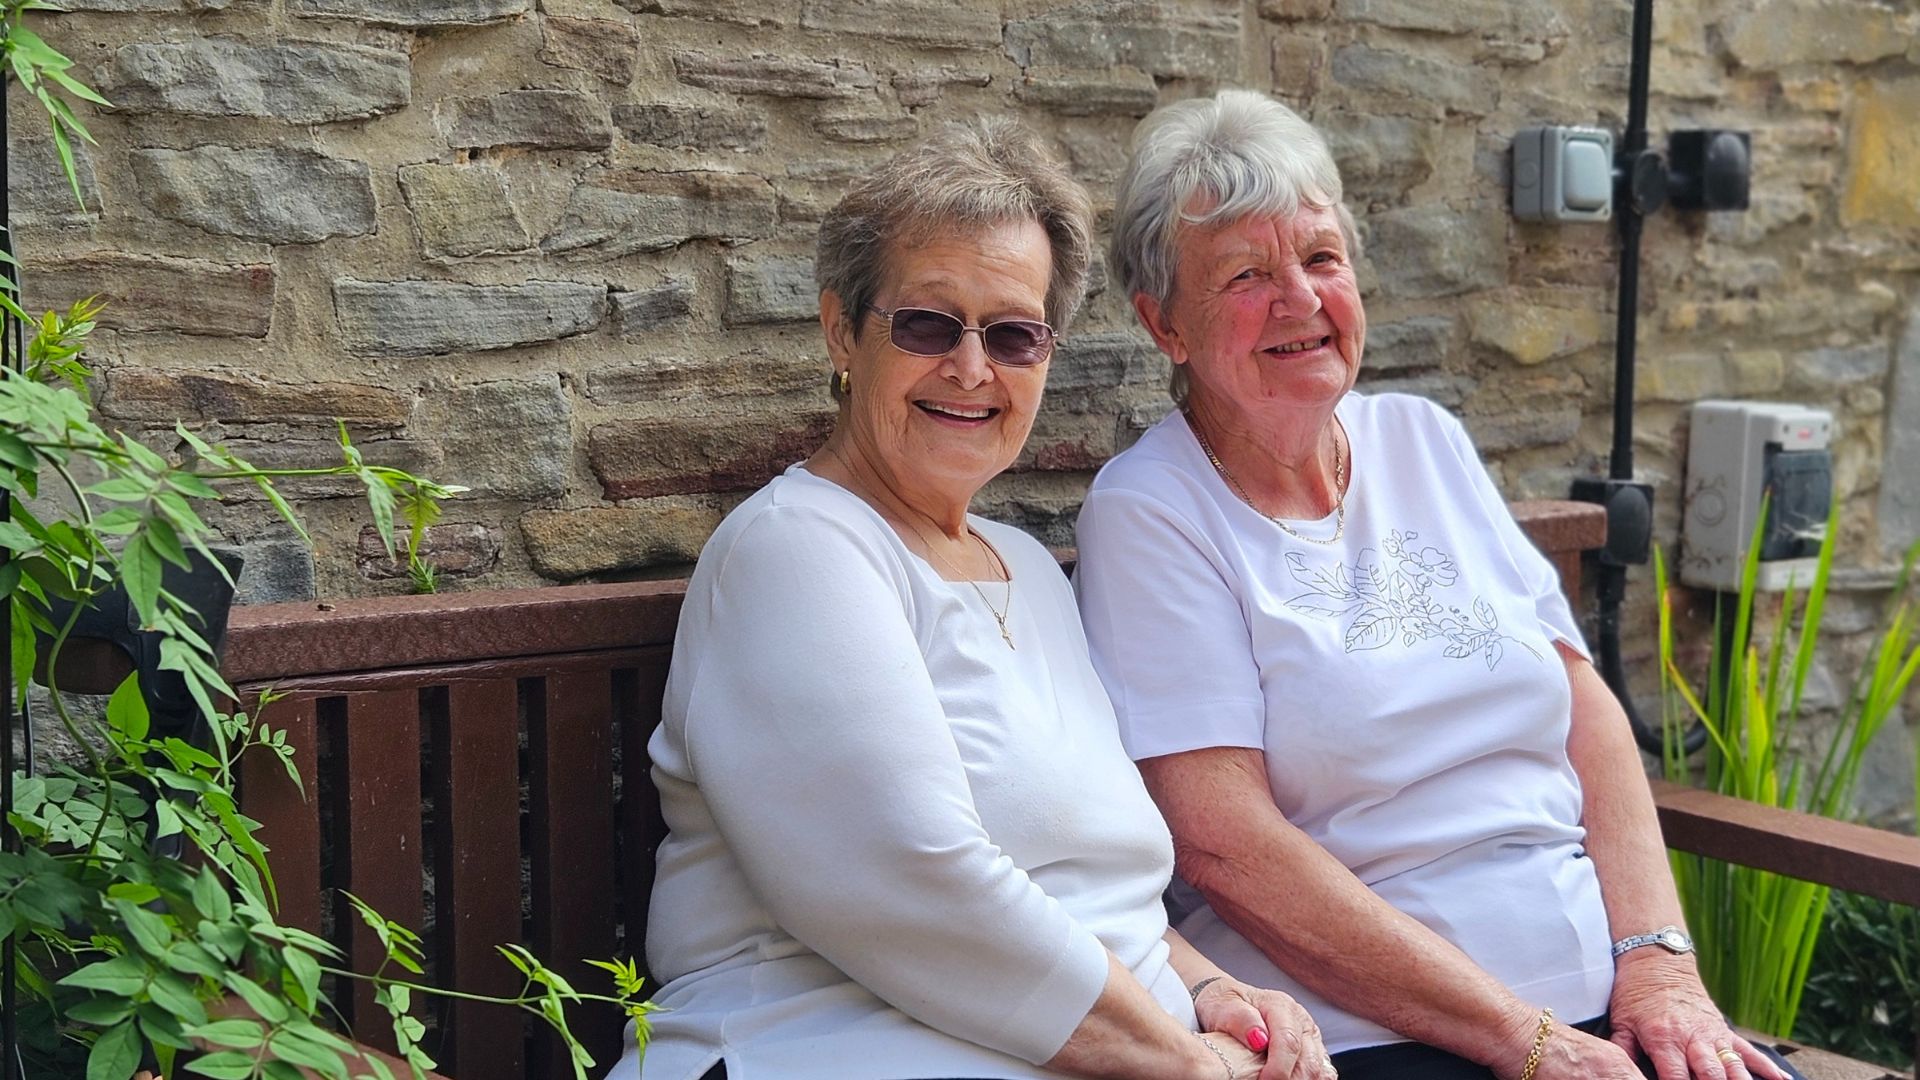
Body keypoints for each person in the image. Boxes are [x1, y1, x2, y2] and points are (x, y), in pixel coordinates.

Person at [1072, 89, 1804, 1080]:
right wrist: (1529, 1041)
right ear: (1166, 326)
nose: (1299, 298)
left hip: (1607, 1003)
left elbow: (1585, 706)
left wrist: (1662, 972)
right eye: (1248, 274)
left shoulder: (1423, 439)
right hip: (1384, 1031)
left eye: (1321, 259)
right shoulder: (1154, 511)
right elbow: (1226, 850)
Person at [610, 119, 1334, 1080]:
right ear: (841, 331)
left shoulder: (1026, 567)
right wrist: (1186, 1062)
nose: (970, 366)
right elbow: (912, 887)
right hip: (819, 1048)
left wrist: (1214, 995)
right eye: (926, 324)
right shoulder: (797, 551)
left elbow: (1096, 891)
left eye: (1013, 334)